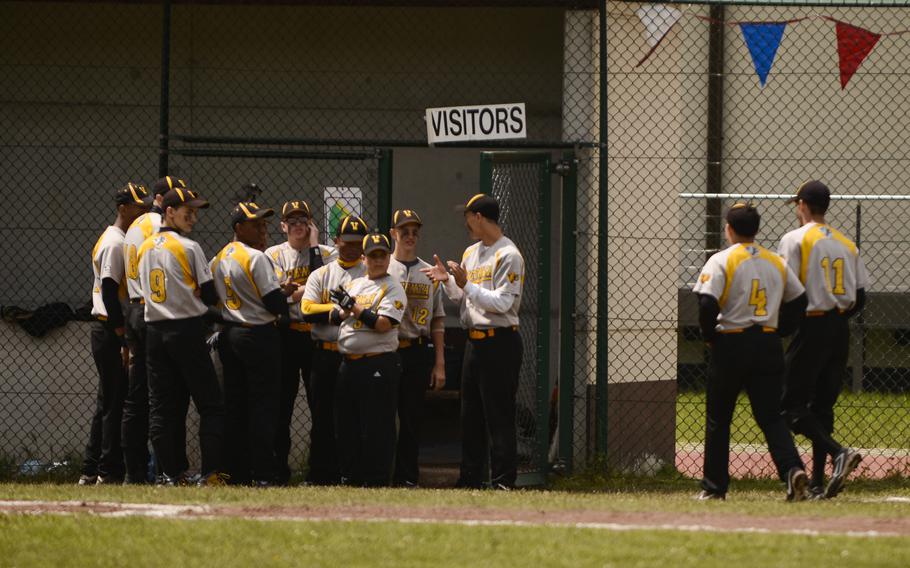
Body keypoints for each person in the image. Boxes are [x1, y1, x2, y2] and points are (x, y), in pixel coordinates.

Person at [693, 203, 810, 501]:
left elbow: (707, 304)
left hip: (731, 342)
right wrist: (782, 329)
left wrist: (709, 336)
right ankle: (792, 469)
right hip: (768, 344)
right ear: (756, 230)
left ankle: (715, 486)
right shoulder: (775, 261)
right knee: (771, 416)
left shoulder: (721, 260)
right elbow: (799, 299)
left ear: (728, 229)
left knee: (719, 418)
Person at [422, 194, 524, 490]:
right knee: (471, 416)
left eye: (467, 216)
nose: (465, 223)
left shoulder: (508, 254)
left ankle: (504, 480)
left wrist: (467, 284)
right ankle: (470, 478)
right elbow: (463, 298)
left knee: (499, 415)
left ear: (479, 217)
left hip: (500, 342)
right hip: (474, 343)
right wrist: (449, 281)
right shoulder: (470, 253)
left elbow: (503, 303)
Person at [777, 180, 869, 499]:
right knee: (823, 406)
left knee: (789, 405)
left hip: (811, 324)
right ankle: (817, 482)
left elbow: (786, 287)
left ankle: (838, 452)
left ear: (802, 204)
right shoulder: (846, 243)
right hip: (838, 327)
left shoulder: (796, 239)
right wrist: (838, 315)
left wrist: (784, 326)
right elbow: (860, 296)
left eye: (797, 204)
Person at [137, 186, 227, 486]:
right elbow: (211, 293)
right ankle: (211, 473)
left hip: (155, 331)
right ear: (169, 212)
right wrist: (199, 294)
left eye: (195, 212)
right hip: (185, 329)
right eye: (187, 211)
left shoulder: (145, 247)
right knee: (210, 404)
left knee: (164, 406)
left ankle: (170, 473)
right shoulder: (188, 247)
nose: (193, 217)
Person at [79, 182, 152, 485]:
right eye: (138, 206)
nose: (143, 211)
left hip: (109, 328)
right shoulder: (114, 242)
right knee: (114, 402)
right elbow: (109, 291)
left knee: (107, 400)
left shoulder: (121, 238)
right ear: (123, 208)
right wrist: (123, 336)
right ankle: (108, 471)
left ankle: (91, 466)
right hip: (109, 327)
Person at [211, 201, 289, 486]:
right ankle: (264, 474)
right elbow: (274, 302)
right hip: (259, 334)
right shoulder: (256, 257)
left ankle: (235, 473)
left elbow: (208, 294)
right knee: (263, 407)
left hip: (231, 333)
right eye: (256, 224)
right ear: (238, 228)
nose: (262, 229)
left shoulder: (219, 257)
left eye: (264, 223)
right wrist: (286, 296)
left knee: (235, 406)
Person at [121, 175, 191, 484]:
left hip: (135, 307)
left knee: (138, 396)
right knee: (165, 396)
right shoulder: (154, 224)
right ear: (163, 202)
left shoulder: (135, 225)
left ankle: (135, 470)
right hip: (155, 310)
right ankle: (168, 468)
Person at [264, 200, 336, 485]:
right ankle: (278, 470)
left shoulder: (326, 253)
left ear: (311, 225)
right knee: (282, 405)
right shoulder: (272, 254)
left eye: (302, 221)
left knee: (321, 407)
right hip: (285, 334)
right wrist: (298, 294)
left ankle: (320, 471)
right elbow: (276, 296)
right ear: (282, 226)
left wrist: (315, 247)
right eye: (291, 222)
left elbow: (325, 291)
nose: (297, 226)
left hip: (314, 334)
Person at [333, 232, 408, 486]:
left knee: (377, 426)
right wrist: (340, 307)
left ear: (388, 258)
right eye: (373, 256)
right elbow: (340, 315)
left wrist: (353, 308)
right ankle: (350, 476)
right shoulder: (355, 284)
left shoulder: (394, 286)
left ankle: (376, 479)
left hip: (378, 362)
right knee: (347, 423)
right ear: (364, 259)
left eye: (382, 255)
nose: (378, 261)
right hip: (349, 363)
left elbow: (383, 324)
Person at [299, 214, 368, 485]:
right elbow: (306, 310)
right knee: (322, 417)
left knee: (353, 418)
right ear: (336, 241)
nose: (352, 247)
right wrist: (339, 311)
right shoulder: (322, 273)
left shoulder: (369, 273)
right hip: (324, 353)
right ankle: (321, 474)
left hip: (354, 355)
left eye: (357, 243)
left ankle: (351, 474)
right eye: (347, 242)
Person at [387, 209, 446, 487]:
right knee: (384, 416)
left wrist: (439, 363)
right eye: (404, 231)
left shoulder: (428, 272)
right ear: (393, 234)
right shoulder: (381, 266)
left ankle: (407, 477)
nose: (410, 236)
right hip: (386, 349)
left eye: (414, 231)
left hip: (417, 349)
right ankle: (381, 473)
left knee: (411, 417)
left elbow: (438, 318)